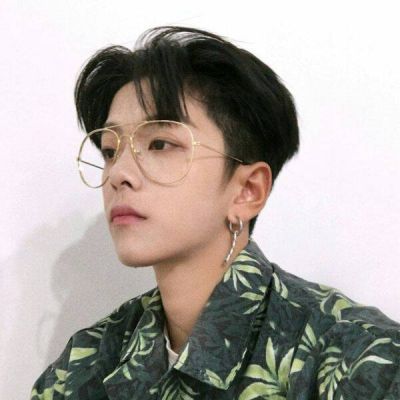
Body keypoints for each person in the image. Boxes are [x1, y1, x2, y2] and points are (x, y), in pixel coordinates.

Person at [31, 26, 400, 400]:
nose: (118, 174)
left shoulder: (360, 360)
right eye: (111, 151)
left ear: (247, 190)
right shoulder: (82, 367)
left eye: (160, 143)